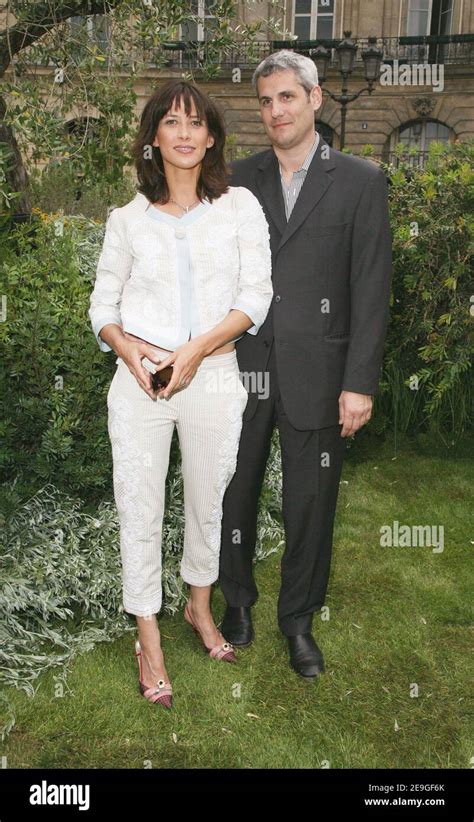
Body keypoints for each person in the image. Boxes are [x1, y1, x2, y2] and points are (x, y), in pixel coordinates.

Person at [88, 80, 272, 707]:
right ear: (154, 138)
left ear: (213, 135)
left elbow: (256, 297)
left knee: (207, 501)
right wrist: (129, 349)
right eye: (172, 122)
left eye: (197, 122)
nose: (186, 133)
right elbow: (103, 307)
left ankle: (199, 607)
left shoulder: (240, 207)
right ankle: (148, 637)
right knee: (138, 506)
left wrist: (195, 350)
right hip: (141, 385)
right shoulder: (127, 220)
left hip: (215, 377)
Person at [219, 50, 393, 678]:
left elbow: (371, 289)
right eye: (265, 101)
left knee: (310, 504)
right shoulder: (236, 179)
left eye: (287, 97)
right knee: (231, 494)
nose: (275, 111)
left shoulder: (360, 180)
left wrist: (359, 384)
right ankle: (236, 600)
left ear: (315, 99)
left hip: (321, 375)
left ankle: (298, 621)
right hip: (241, 369)